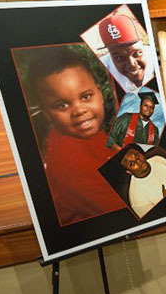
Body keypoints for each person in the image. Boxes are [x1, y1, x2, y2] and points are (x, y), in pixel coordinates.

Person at [28, 47, 125, 225]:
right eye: (62, 105)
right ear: (47, 114)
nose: (79, 110)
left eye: (86, 96)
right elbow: (123, 207)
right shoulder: (67, 158)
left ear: (101, 94)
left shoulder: (90, 135)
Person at [98, 13, 155, 93]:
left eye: (136, 53)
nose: (131, 63)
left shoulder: (156, 56)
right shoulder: (102, 71)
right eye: (119, 58)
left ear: (143, 44)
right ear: (110, 55)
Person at [119, 146, 166, 219]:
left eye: (137, 156)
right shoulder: (136, 199)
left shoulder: (158, 159)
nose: (138, 161)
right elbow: (156, 221)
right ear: (129, 172)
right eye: (132, 164)